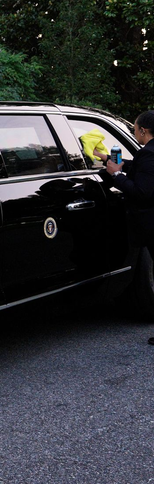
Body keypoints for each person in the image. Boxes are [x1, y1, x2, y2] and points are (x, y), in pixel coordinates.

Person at [96, 111, 154, 343]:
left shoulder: (148, 154)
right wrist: (107, 159)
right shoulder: (148, 154)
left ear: (143, 130)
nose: (134, 132)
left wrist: (117, 175)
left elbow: (141, 192)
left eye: (135, 128)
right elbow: (141, 169)